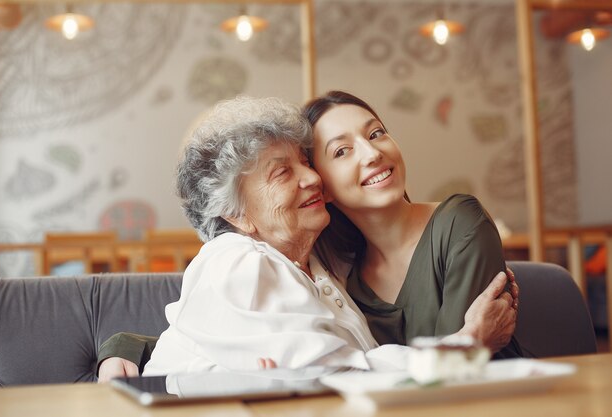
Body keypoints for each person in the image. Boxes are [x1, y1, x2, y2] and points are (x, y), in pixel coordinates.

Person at [97, 94, 518, 381]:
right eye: (283, 172)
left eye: (304, 162)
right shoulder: (240, 261)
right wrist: (468, 343)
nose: (310, 178)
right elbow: (337, 374)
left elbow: (249, 339)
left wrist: (129, 346)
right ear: (238, 215)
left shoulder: (324, 263)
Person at [304, 90, 521, 357]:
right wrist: (473, 339)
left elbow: (453, 374)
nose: (372, 153)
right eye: (342, 151)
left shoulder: (460, 223)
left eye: (375, 134)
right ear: (321, 188)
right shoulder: (348, 286)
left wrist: (465, 347)